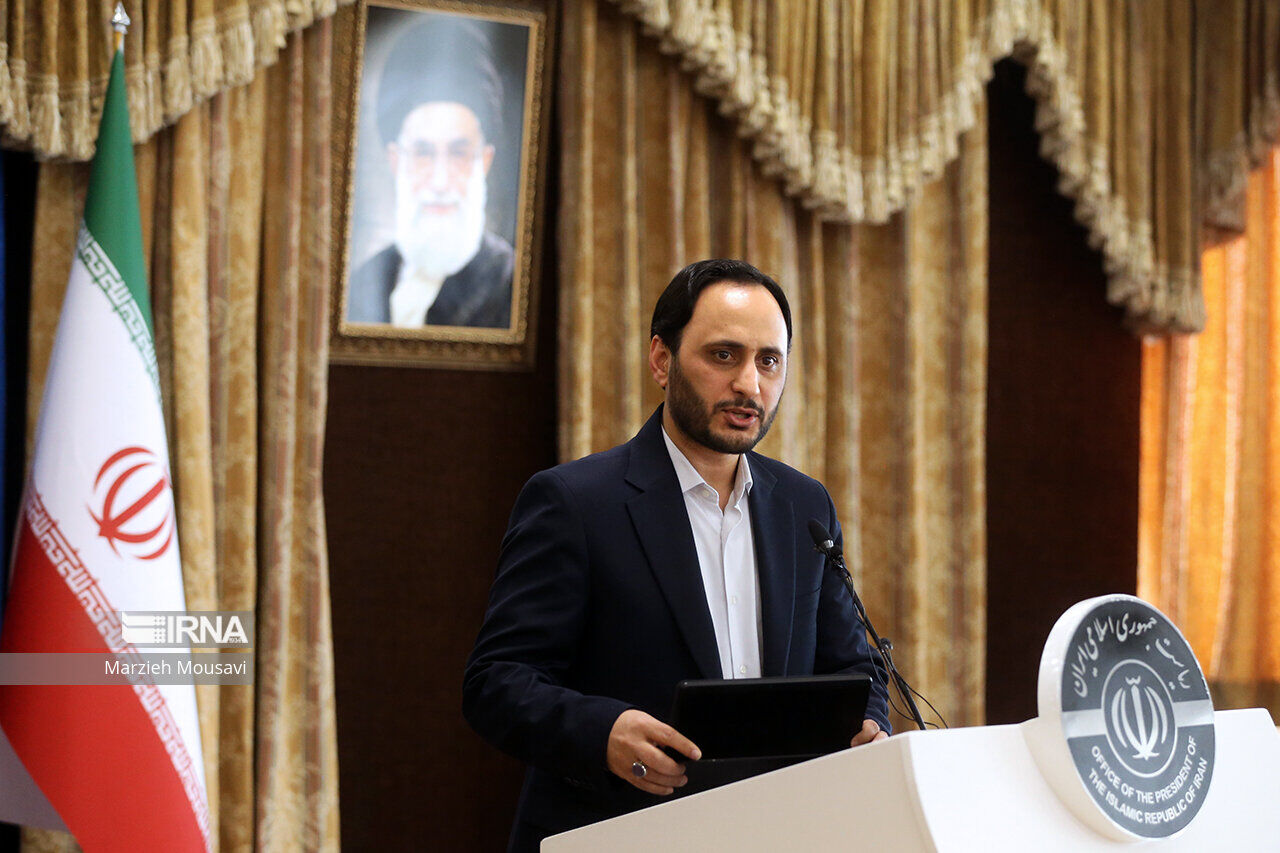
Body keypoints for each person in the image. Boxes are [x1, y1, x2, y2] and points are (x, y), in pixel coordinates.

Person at [463, 259, 890, 851]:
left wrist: (871, 721)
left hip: (772, 832)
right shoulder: (575, 502)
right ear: (661, 360)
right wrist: (603, 732)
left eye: (769, 361)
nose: (749, 384)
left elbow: (852, 666)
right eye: (724, 355)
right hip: (617, 830)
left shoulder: (803, 504)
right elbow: (497, 682)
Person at [347, 15, 514, 329]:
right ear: (396, 161)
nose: (440, 182)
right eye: (423, 153)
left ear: (485, 161)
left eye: (459, 154)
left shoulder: (511, 283)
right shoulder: (363, 281)